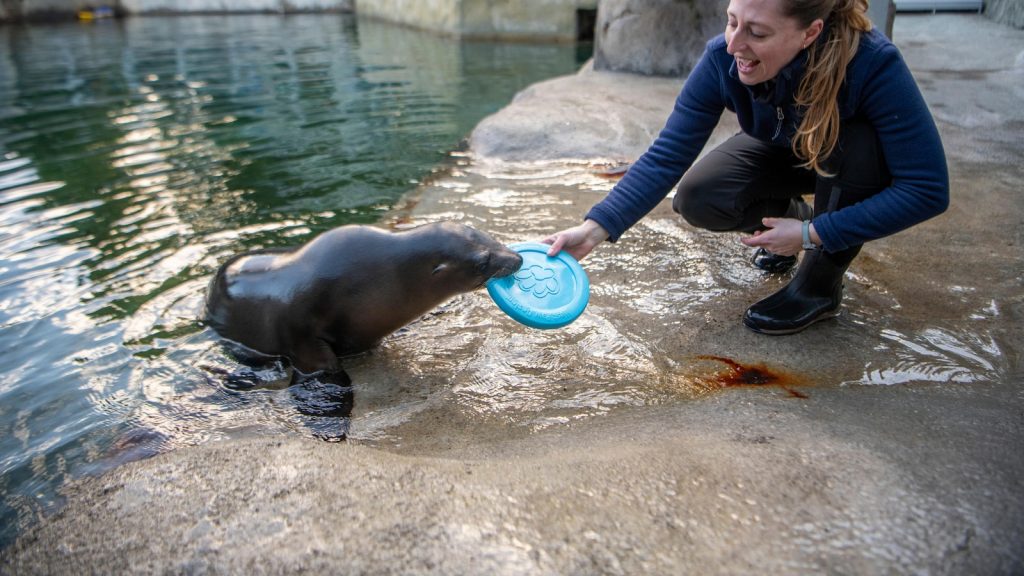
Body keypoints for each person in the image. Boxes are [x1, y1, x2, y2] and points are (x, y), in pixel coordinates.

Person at [542, 0, 948, 334]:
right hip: (786, 149)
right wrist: (596, 228)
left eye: (757, 33)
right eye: (732, 22)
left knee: (857, 144)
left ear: (810, 33)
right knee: (700, 197)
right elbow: (669, 153)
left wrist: (815, 234)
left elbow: (926, 189)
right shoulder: (722, 56)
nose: (735, 43)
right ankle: (789, 217)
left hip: (852, 163)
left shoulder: (873, 63)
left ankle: (818, 286)